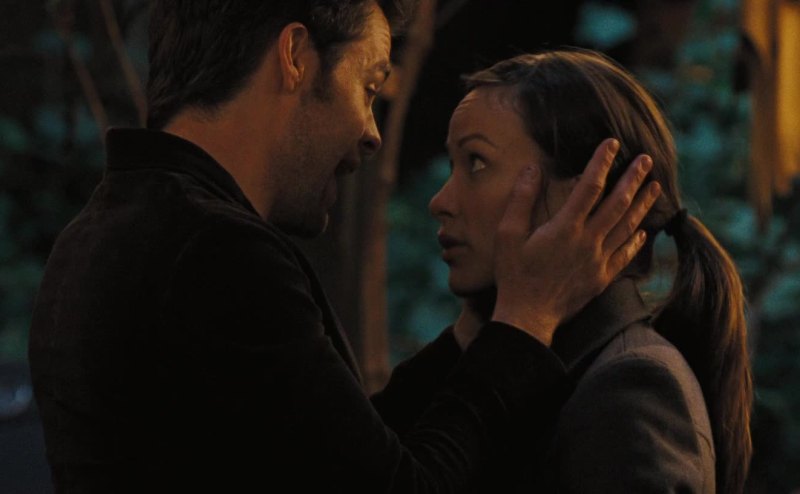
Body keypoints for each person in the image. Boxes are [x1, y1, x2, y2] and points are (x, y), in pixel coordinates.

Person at [28, 2, 658, 492]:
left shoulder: (104, 234)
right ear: (295, 56)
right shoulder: (213, 253)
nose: (372, 133)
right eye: (369, 85)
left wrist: (478, 331)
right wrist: (526, 321)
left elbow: (336, 455)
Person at [429, 49, 753, 493]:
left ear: (585, 197)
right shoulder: (547, 368)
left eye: (477, 163)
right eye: (453, 166)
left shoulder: (629, 387)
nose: (441, 201)